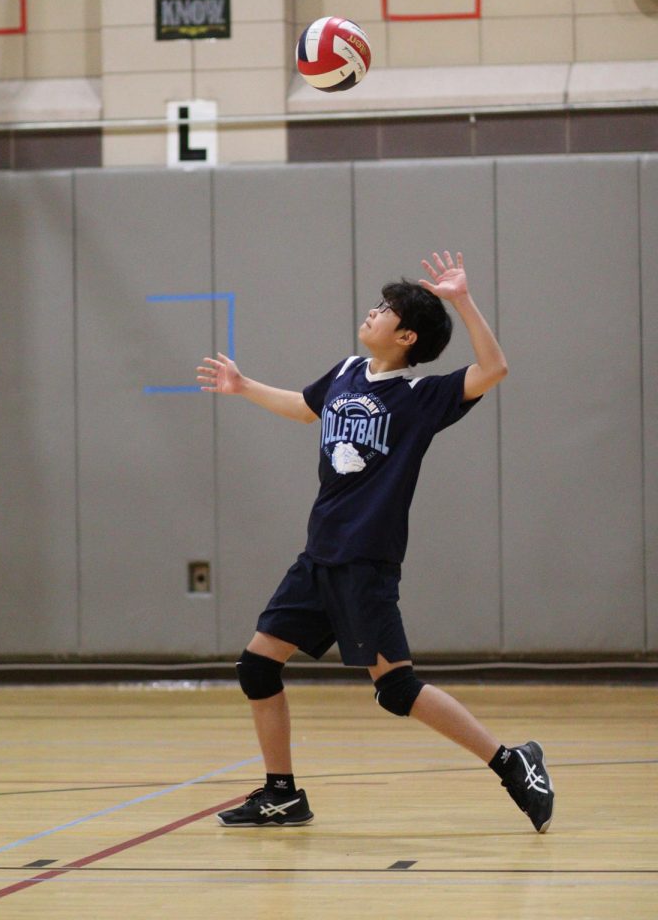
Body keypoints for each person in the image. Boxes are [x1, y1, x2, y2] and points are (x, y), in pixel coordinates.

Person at [196, 251, 554, 834]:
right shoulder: (344, 373)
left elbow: (494, 369)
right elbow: (304, 409)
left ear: (406, 336)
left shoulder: (420, 400)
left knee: (396, 689)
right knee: (258, 668)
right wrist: (243, 386)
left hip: (365, 561)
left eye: (386, 310)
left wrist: (460, 300)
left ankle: (513, 761)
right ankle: (282, 794)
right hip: (319, 556)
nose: (373, 311)